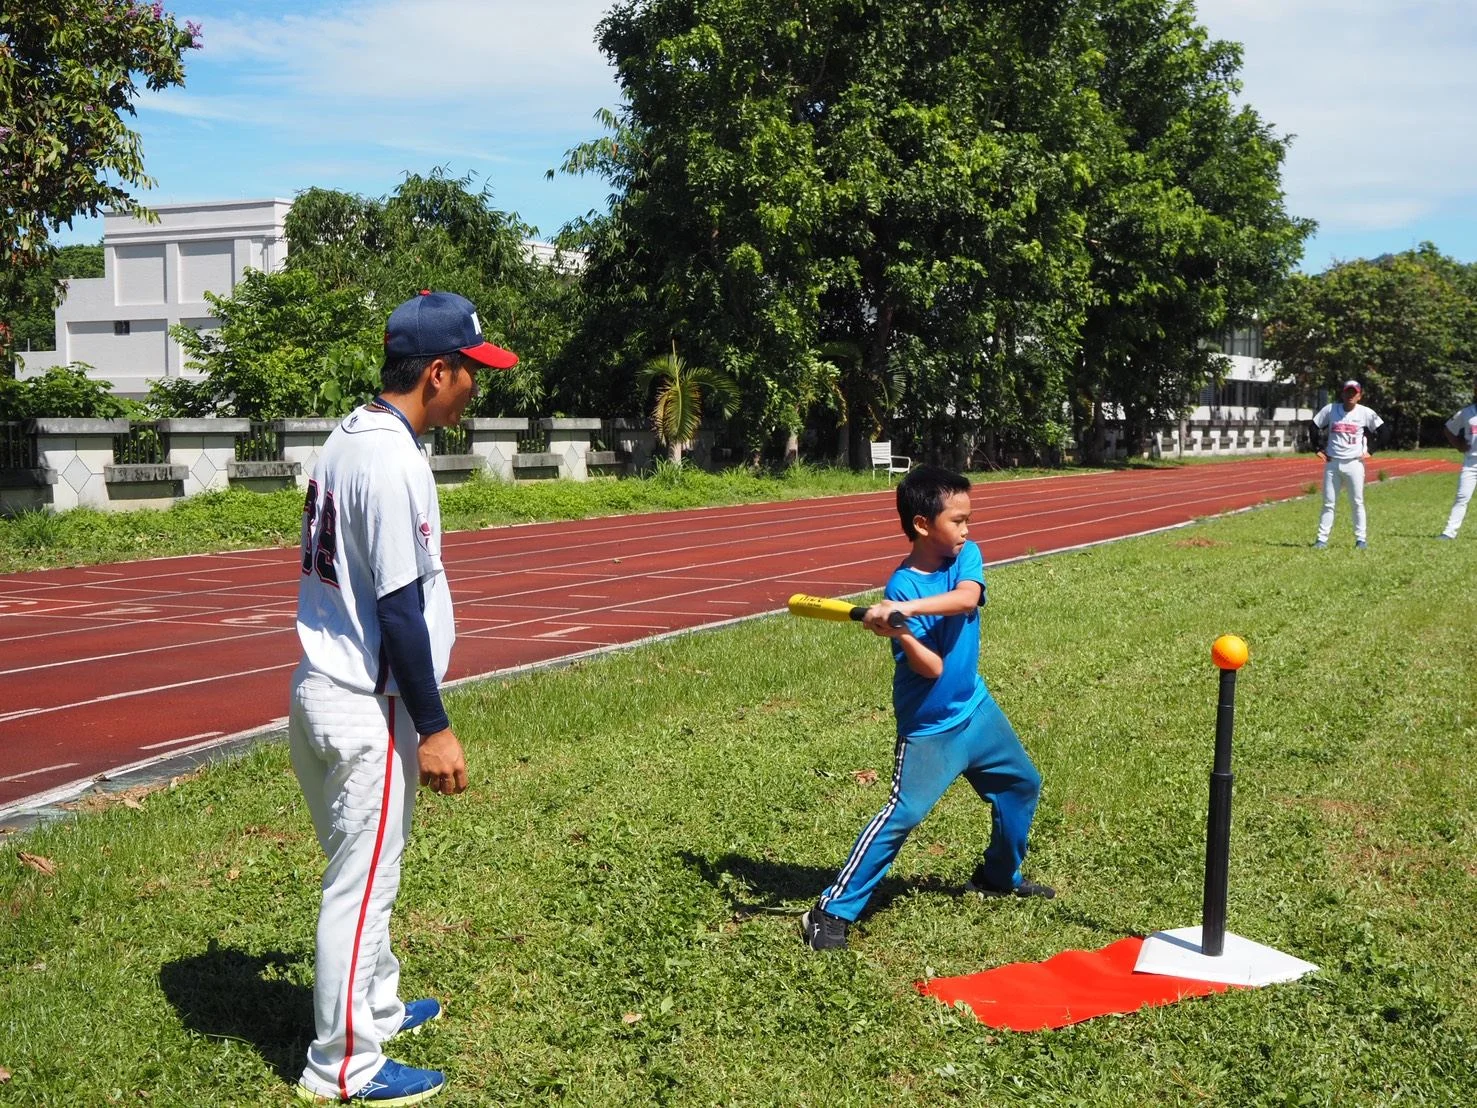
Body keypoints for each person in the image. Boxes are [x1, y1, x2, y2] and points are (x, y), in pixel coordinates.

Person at [289, 291, 517, 1103]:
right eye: (473, 372)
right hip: (366, 699)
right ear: (438, 372)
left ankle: (377, 1006)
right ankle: (342, 1067)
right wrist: (434, 725)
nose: (477, 387)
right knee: (359, 887)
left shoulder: (350, 434)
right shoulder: (392, 459)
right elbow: (397, 608)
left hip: (321, 685)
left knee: (364, 870)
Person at [801, 465, 1051, 952]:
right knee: (904, 813)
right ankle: (830, 911)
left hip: (976, 709)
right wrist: (900, 632)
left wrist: (908, 614)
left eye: (967, 519)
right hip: (930, 728)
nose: (966, 529)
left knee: (1021, 785)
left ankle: (999, 877)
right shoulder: (901, 587)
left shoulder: (964, 557)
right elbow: (931, 667)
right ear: (922, 524)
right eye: (957, 520)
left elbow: (966, 600)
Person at [1309, 379, 1388, 550]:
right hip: (1333, 463)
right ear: (1342, 393)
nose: (1350, 395)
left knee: (1357, 502)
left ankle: (1361, 539)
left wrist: (1371, 450)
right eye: (1348, 392)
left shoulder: (1365, 412)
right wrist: (1317, 448)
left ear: (1359, 396)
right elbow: (1314, 426)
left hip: (1354, 464)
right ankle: (1321, 539)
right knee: (1328, 503)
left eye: (1354, 393)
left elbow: (1383, 431)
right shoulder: (1331, 409)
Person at [1438, 381, 1477, 540]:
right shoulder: (1466, 413)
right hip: (1471, 463)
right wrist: (1458, 445)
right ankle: (1449, 532)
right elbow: (1448, 428)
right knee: (1462, 497)